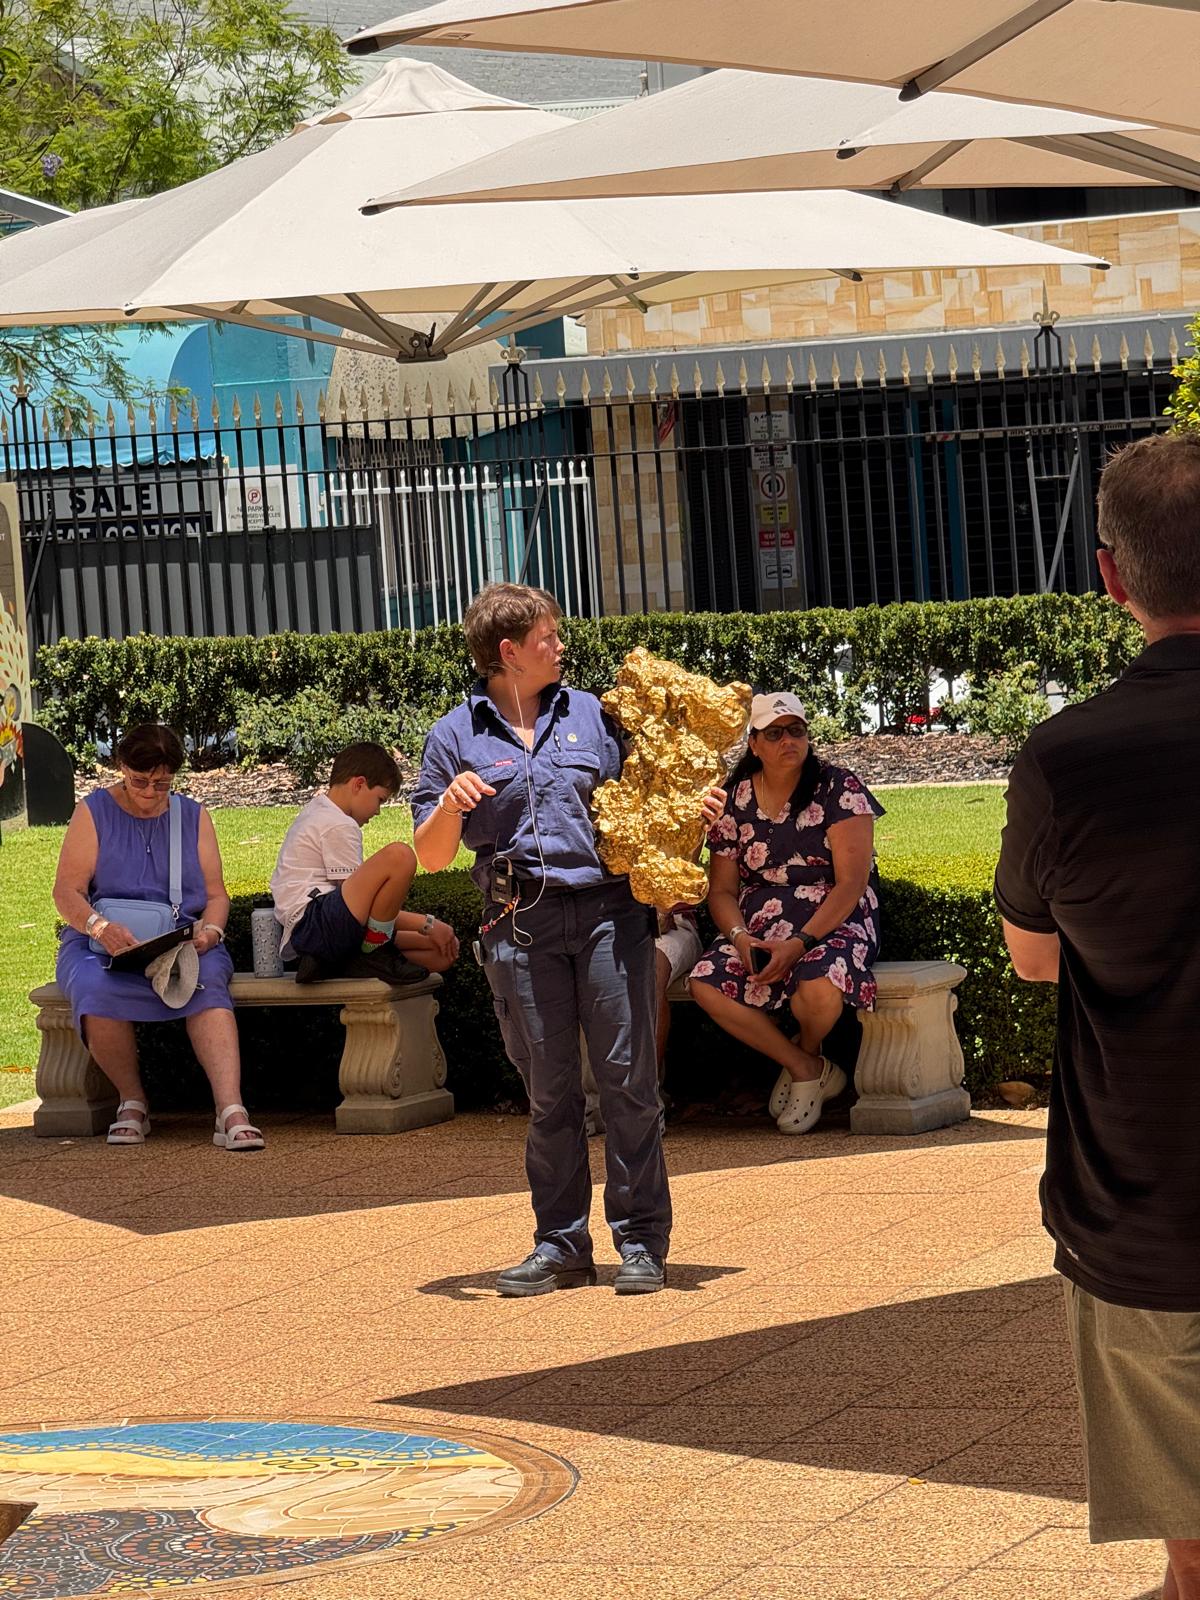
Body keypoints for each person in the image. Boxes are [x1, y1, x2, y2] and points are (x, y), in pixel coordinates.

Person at [995, 432, 1200, 1597]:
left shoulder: (1068, 757)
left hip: (1146, 1200)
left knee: (1193, 1551)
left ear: (1114, 576)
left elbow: (1031, 957)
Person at [411, 582, 724, 1298]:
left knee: (628, 1082)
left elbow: (652, 800)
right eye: (547, 637)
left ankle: (641, 1242)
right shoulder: (454, 736)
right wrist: (450, 807)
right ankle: (560, 1245)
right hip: (519, 924)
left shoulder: (594, 715)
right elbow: (429, 855)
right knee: (550, 1092)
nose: (560, 646)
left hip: (611, 914)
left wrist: (694, 808)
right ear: (508, 651)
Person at [53, 722, 263, 1150]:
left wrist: (212, 932)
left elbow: (216, 895)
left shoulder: (193, 816)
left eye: (162, 783)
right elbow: (66, 892)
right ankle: (132, 1102)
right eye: (139, 781)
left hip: (180, 940)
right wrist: (100, 927)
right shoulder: (93, 811)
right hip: (102, 941)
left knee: (207, 981)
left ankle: (230, 1109)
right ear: (121, 767)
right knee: (94, 984)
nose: (150, 792)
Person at [689, 692, 884, 1134]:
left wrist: (799, 944)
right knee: (705, 982)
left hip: (835, 918)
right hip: (760, 924)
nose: (788, 741)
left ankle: (808, 1050)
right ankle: (804, 1066)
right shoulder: (735, 799)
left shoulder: (839, 788)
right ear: (754, 743)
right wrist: (740, 939)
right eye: (774, 733)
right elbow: (721, 890)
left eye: (796, 730)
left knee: (818, 981)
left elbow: (852, 883)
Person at [271, 741, 459, 983]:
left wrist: (428, 930)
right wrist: (428, 924)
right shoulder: (337, 823)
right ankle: (375, 953)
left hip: (319, 932)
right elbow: (365, 908)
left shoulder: (317, 811)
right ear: (359, 784)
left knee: (440, 952)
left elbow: (362, 911)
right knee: (400, 856)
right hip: (316, 925)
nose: (378, 811)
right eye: (380, 799)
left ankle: (345, 964)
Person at [582, 906, 703, 1137]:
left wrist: (662, 912)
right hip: (595, 924)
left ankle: (643, 1097)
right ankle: (589, 1100)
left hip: (669, 927)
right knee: (584, 973)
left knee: (646, 974)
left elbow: (689, 890)